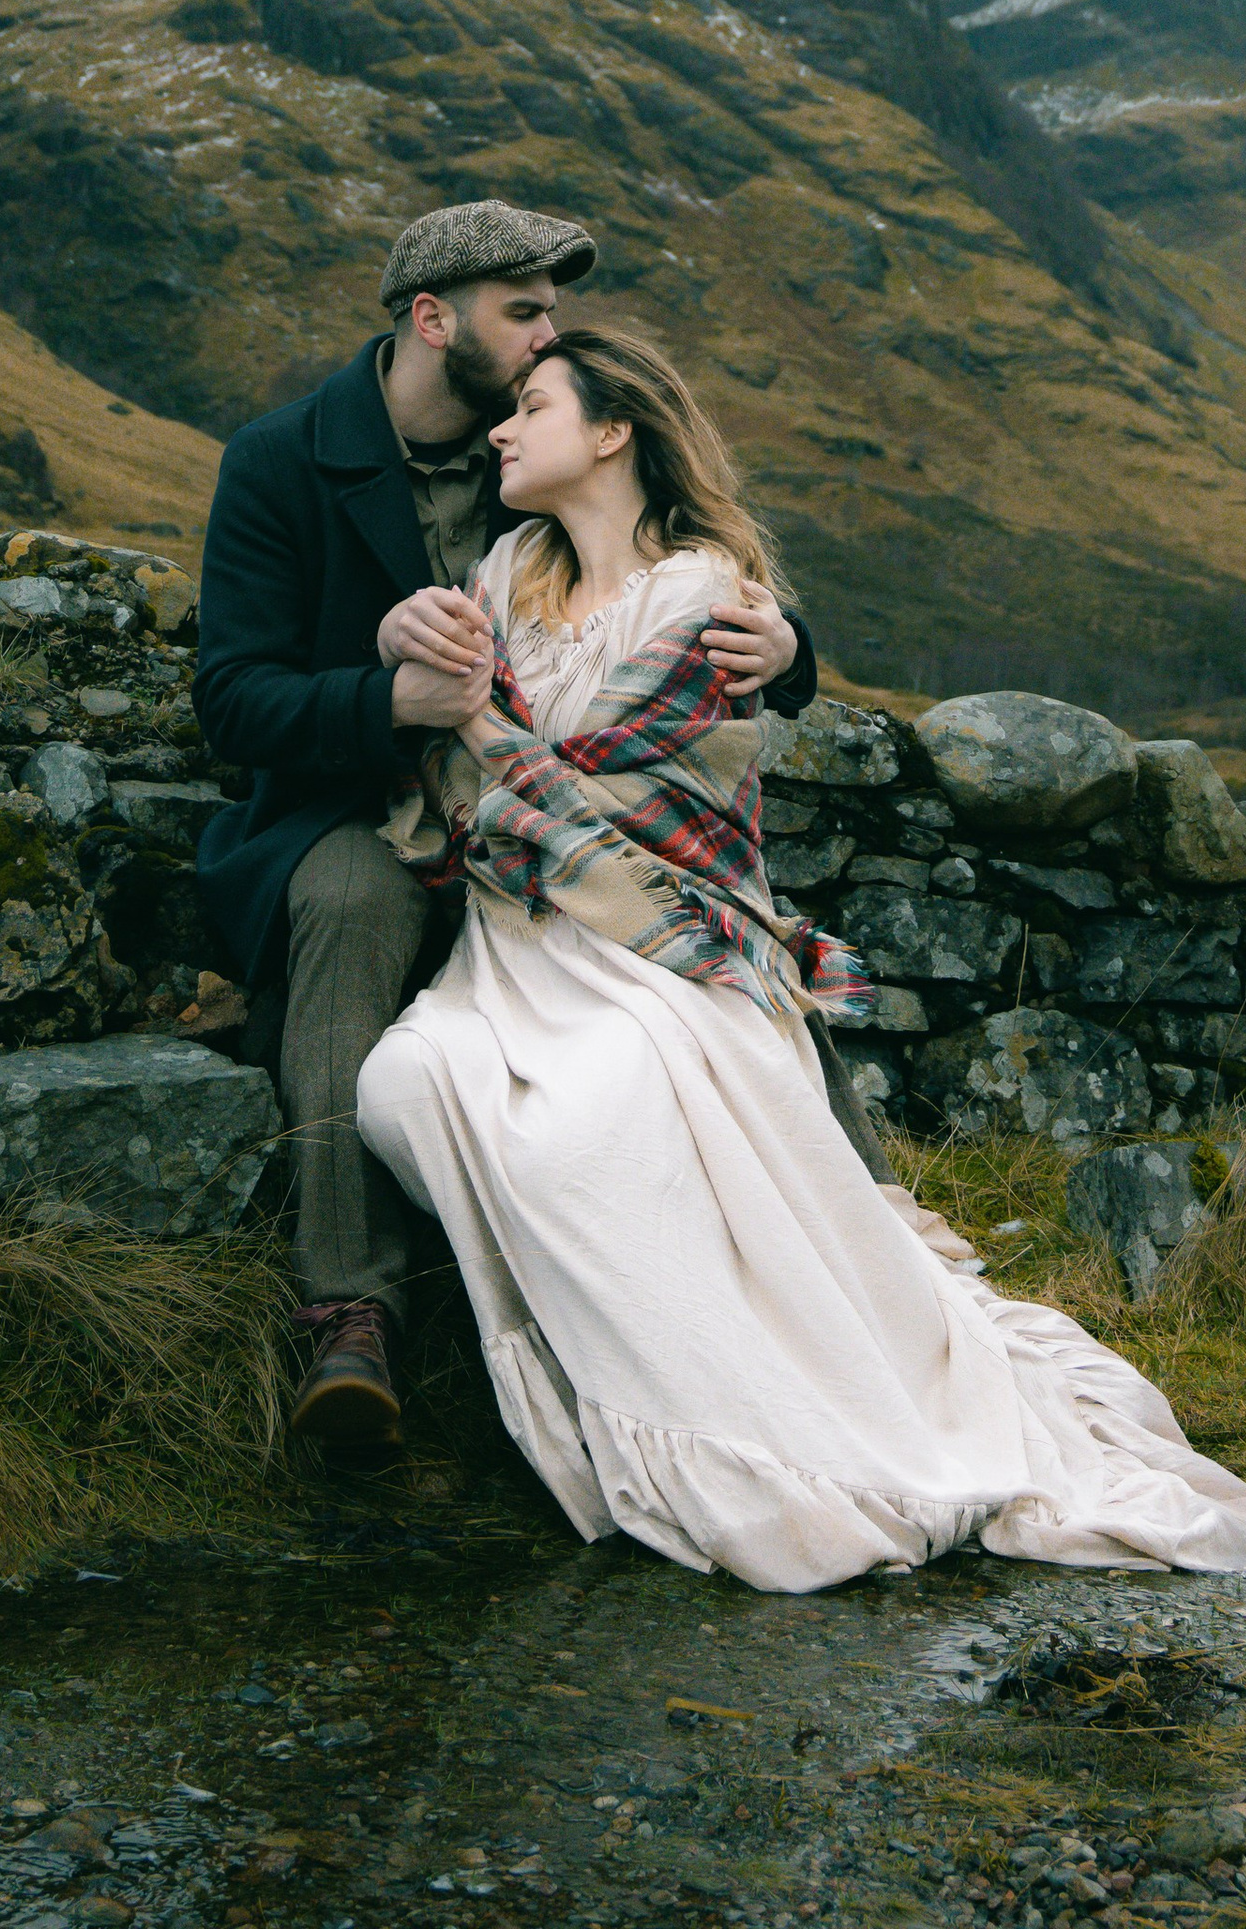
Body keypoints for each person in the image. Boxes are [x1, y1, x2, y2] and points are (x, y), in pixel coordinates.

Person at [355, 325, 1246, 1592]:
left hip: (659, 941)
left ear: (615, 428)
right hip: (516, 940)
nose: (501, 430)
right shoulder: (507, 562)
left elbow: (591, 796)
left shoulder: (702, 594)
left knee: (598, 1111)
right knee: (402, 1087)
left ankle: (746, 1421)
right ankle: (592, 1384)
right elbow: (467, 741)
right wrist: (406, 655)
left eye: (531, 406)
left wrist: (475, 719)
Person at [193, 200, 820, 1457]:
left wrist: (795, 654)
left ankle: (809, 1244)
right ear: (435, 318)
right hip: (351, 809)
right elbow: (231, 699)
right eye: (524, 310)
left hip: (541, 825)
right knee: (353, 906)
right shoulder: (277, 460)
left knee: (703, 950)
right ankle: (349, 1314)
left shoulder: (534, 450)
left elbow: (669, 563)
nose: (549, 336)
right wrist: (384, 702)